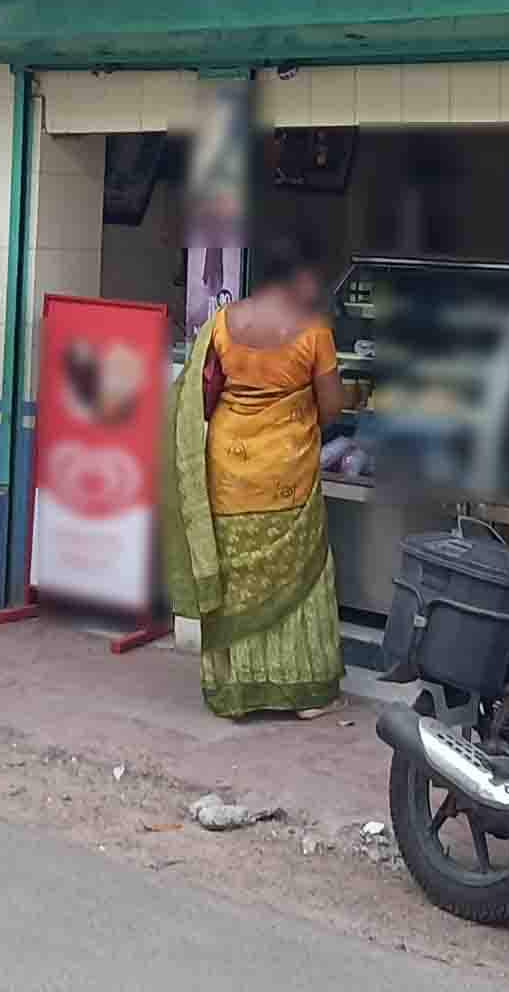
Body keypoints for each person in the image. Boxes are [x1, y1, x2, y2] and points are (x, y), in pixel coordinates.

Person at [161, 234, 345, 718]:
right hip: (288, 477)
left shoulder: (221, 324)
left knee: (236, 579)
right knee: (302, 581)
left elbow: (197, 398)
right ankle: (302, 695)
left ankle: (235, 694)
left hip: (229, 475)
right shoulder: (314, 331)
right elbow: (332, 408)